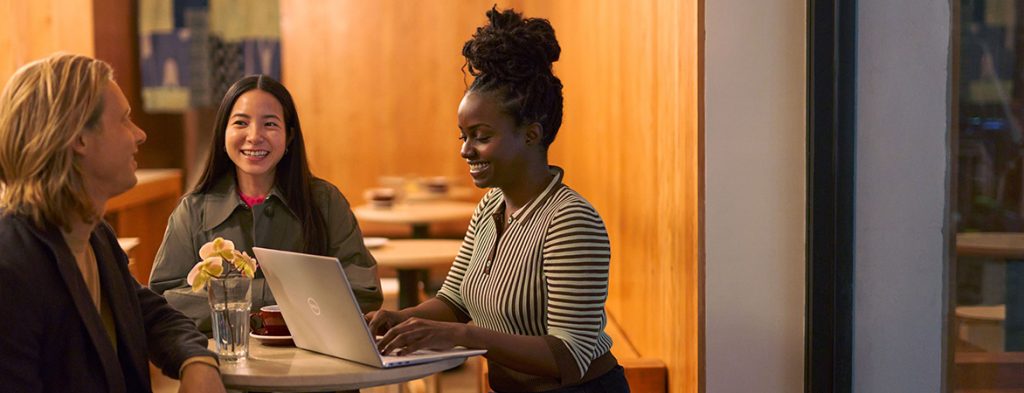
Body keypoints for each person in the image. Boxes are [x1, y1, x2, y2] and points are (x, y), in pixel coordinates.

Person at [367, 7, 629, 393]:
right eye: (463, 136)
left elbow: (569, 357)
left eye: (481, 135)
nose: (466, 151)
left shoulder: (571, 220)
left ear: (531, 134)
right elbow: (455, 299)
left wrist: (464, 335)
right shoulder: (490, 207)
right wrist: (403, 319)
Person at [0, 53, 225, 392]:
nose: (140, 135)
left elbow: (152, 315)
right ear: (78, 138)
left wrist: (198, 362)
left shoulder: (95, 235)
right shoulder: (11, 265)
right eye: (124, 120)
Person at [150, 75, 382, 332]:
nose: (254, 136)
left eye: (270, 124)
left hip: (312, 363)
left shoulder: (325, 202)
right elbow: (164, 302)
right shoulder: (192, 211)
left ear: (289, 136)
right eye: (241, 123)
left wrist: (231, 294)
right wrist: (280, 294)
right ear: (223, 134)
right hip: (224, 365)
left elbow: (363, 292)